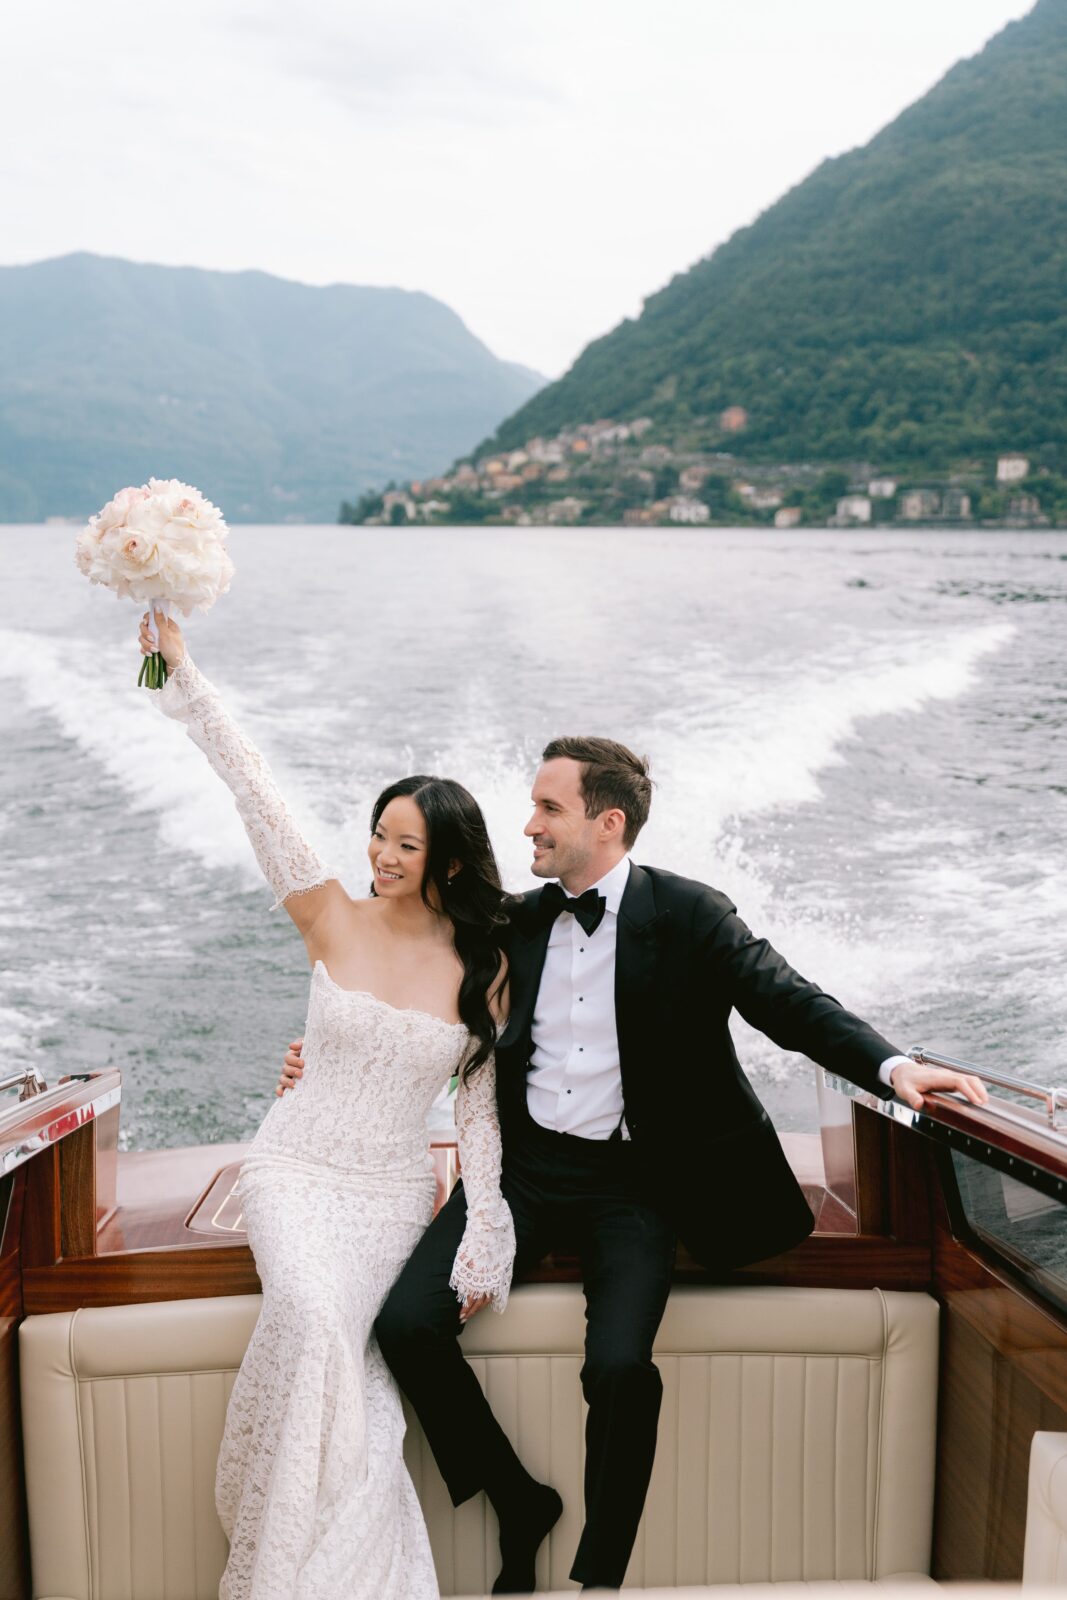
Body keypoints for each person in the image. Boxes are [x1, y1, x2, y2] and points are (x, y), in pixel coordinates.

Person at [279, 734, 988, 1594]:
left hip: (637, 1184)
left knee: (617, 1368)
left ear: (606, 823)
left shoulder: (690, 915)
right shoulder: (514, 922)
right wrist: (322, 1059)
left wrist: (892, 1066)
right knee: (404, 1327)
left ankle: (600, 1579)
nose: (528, 825)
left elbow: (787, 1001)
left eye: (548, 808)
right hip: (523, 1171)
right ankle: (516, 1497)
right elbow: (411, 980)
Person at [138, 610, 521, 1600]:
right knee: (311, 1317)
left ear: (447, 861)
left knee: (346, 1346)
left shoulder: (484, 965)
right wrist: (185, 675)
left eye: (405, 844)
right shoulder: (328, 914)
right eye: (378, 834)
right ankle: (285, 1564)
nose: (381, 854)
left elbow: (476, 1110)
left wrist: (486, 1220)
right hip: (294, 1167)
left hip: (391, 1191)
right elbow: (254, 787)